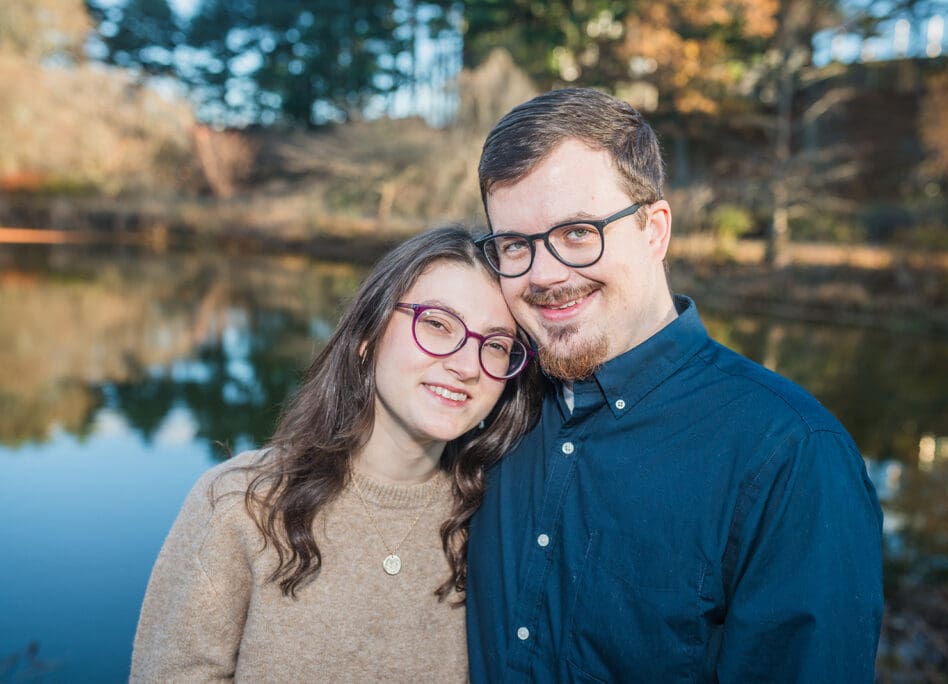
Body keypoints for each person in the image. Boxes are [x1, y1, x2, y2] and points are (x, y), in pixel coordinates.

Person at [466, 88, 884, 682]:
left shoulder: (791, 455)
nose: (545, 274)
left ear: (655, 230)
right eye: (515, 245)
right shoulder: (488, 399)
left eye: (579, 232)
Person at [130, 227, 540, 682]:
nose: (466, 365)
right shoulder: (240, 506)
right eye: (438, 324)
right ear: (368, 335)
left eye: (496, 345)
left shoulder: (494, 526)